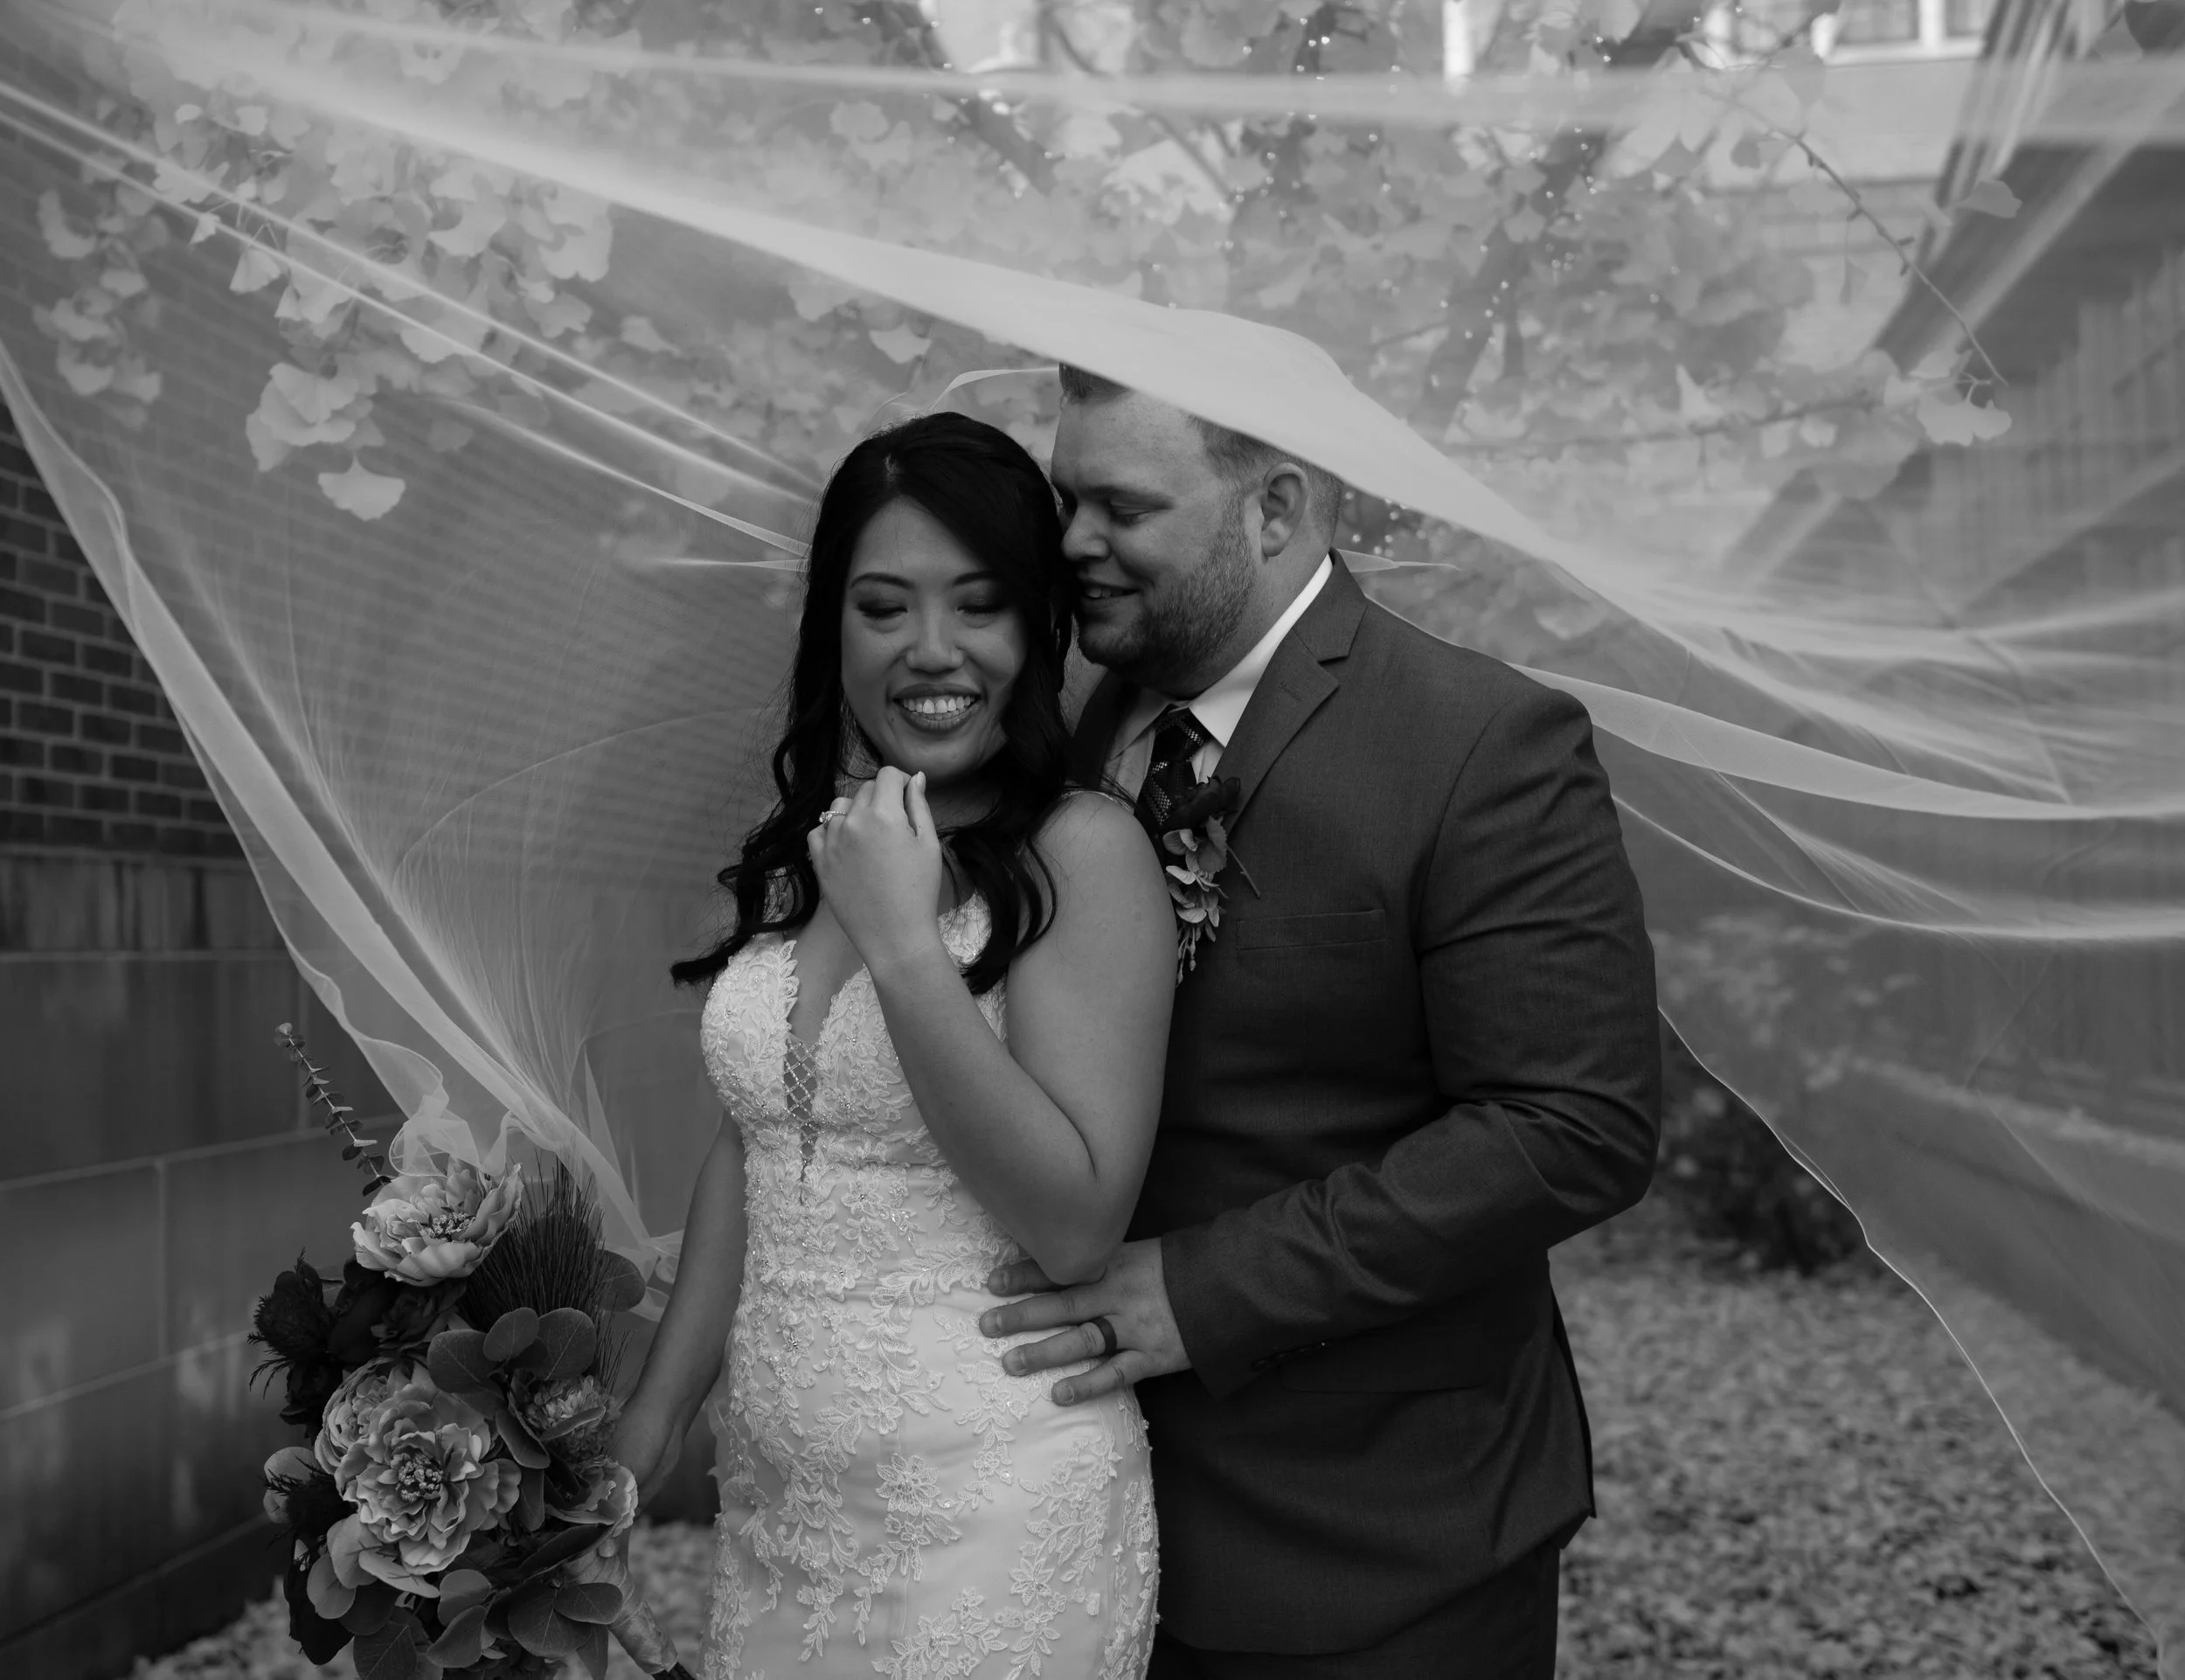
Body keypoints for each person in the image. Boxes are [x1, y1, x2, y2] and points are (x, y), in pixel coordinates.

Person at [978, 367, 1663, 1679]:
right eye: (1068, 498)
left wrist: (1203, 1287)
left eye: (1123, 505)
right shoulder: (1074, 725)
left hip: (1385, 1535)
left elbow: (1575, 1125)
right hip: (1086, 1506)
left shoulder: (1481, 740)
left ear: (1276, 506)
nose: (1071, 542)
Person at [613, 413, 1174, 1679]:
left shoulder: (1079, 851)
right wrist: (650, 1422)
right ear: (834, 630)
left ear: (1035, 626)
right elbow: (763, 1137)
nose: (933, 651)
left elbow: (1078, 1220)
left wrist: (910, 951)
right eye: (883, 606)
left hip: (995, 1509)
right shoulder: (827, 841)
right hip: (783, 1521)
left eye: (979, 605)